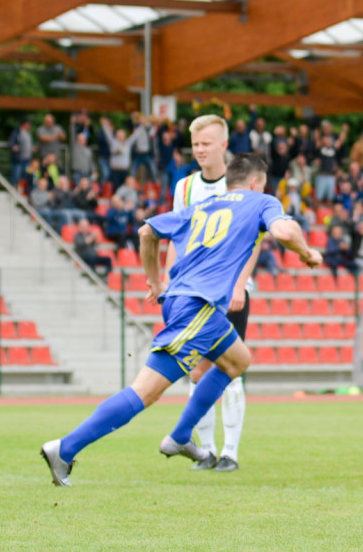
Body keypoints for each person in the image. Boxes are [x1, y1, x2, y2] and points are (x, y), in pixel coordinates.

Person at [40, 154, 322, 486]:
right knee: (145, 392)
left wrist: (154, 281)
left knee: (238, 361)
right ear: (255, 182)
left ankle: (180, 436)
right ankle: (65, 448)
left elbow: (147, 232)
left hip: (185, 302)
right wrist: (308, 253)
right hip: (197, 308)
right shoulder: (262, 200)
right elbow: (284, 229)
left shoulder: (205, 206)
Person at [170, 114, 262, 473]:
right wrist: (167, 283)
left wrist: (239, 284)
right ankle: (205, 450)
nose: (200, 150)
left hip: (230, 293)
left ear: (223, 145)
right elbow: (178, 239)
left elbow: (254, 238)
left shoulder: (239, 184)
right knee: (196, 371)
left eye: (206, 143)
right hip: (195, 293)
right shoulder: (185, 188)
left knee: (230, 369)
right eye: (195, 144)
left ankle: (231, 453)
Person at [9, 118, 33, 190]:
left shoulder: (28, 133)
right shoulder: (17, 132)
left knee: (25, 175)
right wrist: (14, 146)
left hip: (27, 158)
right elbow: (11, 142)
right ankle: (14, 188)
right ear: (25, 124)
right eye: (28, 124)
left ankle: (22, 189)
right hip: (18, 158)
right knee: (16, 174)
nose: (29, 126)